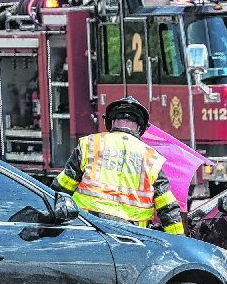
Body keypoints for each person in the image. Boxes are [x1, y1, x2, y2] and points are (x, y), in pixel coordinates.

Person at [55, 96, 184, 234]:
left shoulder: (91, 144)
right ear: (139, 127)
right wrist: (179, 241)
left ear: (111, 121)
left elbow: (61, 188)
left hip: (88, 230)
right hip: (131, 237)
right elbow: (167, 207)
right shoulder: (151, 157)